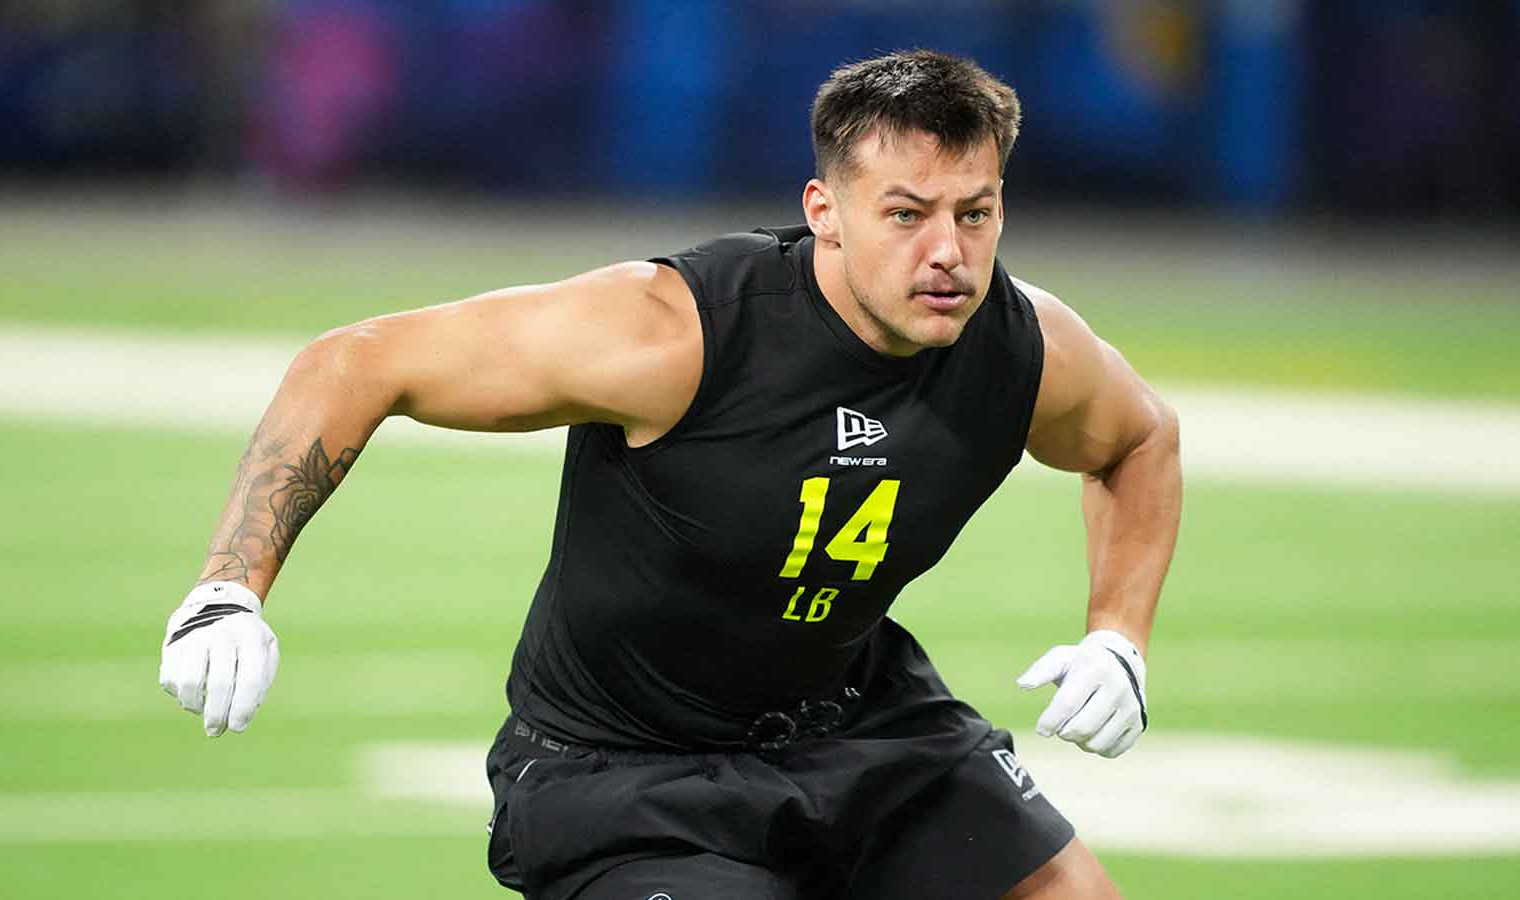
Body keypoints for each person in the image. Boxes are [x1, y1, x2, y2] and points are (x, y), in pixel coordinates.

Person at [158, 50, 1181, 900]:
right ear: (824, 210)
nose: (948, 252)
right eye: (906, 214)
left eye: (976, 213)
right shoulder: (682, 331)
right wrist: (227, 587)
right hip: (624, 769)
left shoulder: (1017, 343)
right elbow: (357, 361)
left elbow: (1140, 439)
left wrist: (1117, 635)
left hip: (856, 722)